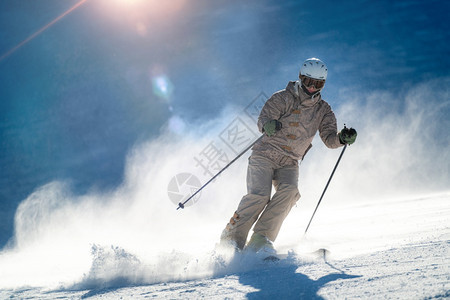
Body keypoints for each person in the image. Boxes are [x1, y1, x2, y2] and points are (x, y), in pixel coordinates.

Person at [220, 58, 357, 252]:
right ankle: (231, 240)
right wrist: (268, 125)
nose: (312, 87)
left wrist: (342, 138)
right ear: (301, 78)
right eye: (309, 81)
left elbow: (329, 139)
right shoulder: (282, 97)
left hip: (290, 161)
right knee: (259, 196)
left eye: (318, 84)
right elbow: (264, 119)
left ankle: (261, 239)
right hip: (265, 154)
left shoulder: (323, 110)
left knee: (290, 192)